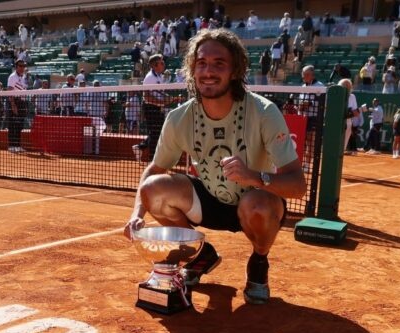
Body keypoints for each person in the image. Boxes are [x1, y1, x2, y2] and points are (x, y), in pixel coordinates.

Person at [123, 29, 306, 304]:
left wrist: (254, 176)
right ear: (192, 70)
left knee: (258, 205)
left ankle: (259, 260)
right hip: (207, 200)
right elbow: (154, 169)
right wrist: (137, 212)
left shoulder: (264, 112)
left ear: (235, 70)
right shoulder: (178, 118)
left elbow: (298, 185)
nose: (208, 71)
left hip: (254, 199)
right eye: (201, 63)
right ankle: (201, 254)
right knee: (154, 189)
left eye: (219, 63)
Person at [132, 54, 180, 162]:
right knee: (155, 133)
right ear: (154, 65)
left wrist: (171, 98)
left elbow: (159, 93)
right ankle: (152, 160)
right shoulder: (150, 77)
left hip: (157, 108)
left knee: (158, 132)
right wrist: (162, 102)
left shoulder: (159, 76)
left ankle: (140, 147)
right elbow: (147, 96)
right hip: (150, 108)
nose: (164, 64)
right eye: (161, 63)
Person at [298, 65, 324, 171]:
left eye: (306, 75)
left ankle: (307, 165)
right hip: (303, 117)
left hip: (314, 118)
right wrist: (300, 106)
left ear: (312, 75)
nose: (304, 77)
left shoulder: (320, 86)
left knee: (310, 142)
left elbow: (322, 103)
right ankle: (300, 163)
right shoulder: (303, 87)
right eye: (303, 75)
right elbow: (300, 102)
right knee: (301, 142)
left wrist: (309, 104)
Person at [6, 59, 29, 153]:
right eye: (20, 66)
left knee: (19, 125)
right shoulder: (12, 77)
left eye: (23, 66)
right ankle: (11, 145)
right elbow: (10, 91)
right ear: (16, 67)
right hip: (14, 101)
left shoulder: (23, 77)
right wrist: (13, 105)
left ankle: (18, 145)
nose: (22, 68)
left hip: (21, 102)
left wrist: (25, 104)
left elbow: (23, 92)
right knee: (12, 124)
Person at [339, 79, 359, 155]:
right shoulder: (336, 95)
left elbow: (356, 112)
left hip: (348, 123)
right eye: (344, 86)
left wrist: (353, 112)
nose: (347, 87)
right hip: (336, 121)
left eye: (348, 86)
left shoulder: (352, 96)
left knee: (342, 146)